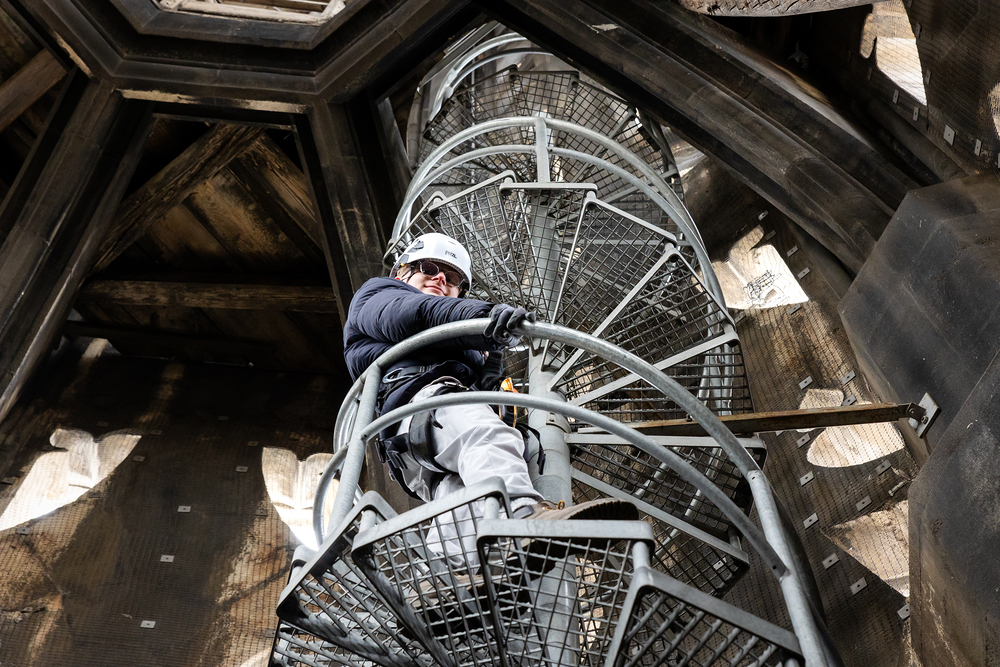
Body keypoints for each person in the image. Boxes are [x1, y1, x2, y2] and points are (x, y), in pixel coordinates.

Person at [343, 233, 637, 543]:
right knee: (487, 435)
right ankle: (524, 517)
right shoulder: (379, 294)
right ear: (402, 273)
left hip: (415, 444)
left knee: (464, 501)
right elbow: (416, 314)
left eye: (453, 278)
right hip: (423, 404)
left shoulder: (460, 347)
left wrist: (492, 360)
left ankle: (450, 569)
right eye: (429, 268)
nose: (440, 278)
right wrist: (484, 318)